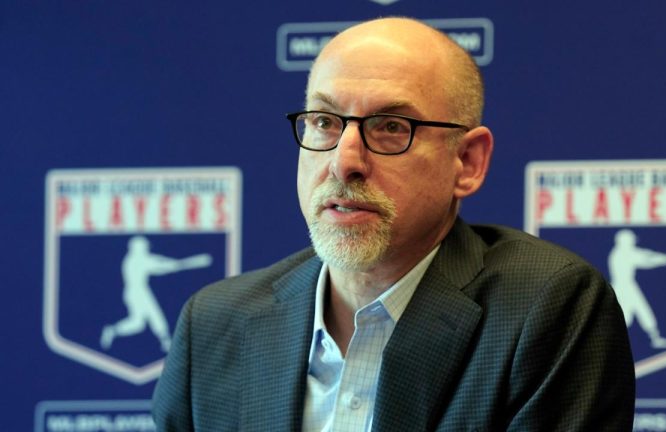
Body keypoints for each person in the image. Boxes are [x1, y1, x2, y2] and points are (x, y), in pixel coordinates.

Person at [152, 17, 635, 431]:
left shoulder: (545, 309)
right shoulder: (214, 324)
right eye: (324, 121)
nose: (345, 163)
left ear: (467, 161)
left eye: (390, 128)